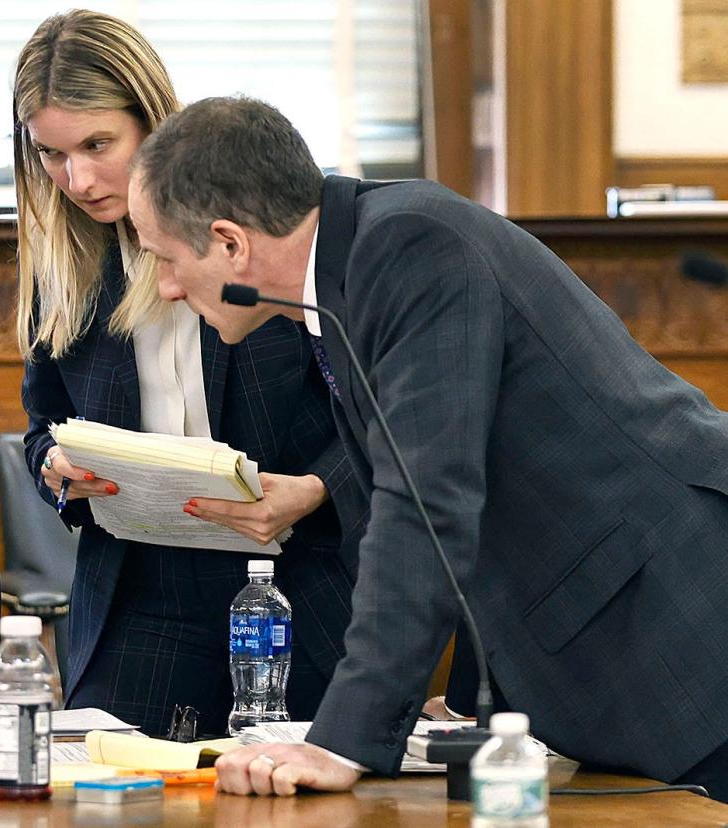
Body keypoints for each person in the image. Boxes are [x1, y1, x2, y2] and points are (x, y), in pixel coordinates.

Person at [128, 95, 728, 799]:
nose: (164, 288)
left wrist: (345, 741)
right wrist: (475, 697)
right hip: (616, 645)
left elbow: (425, 502)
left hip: (682, 631)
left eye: (165, 259)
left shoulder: (410, 248)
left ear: (230, 244)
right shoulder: (355, 266)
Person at [13, 10, 366, 737]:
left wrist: (317, 488)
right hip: (142, 586)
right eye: (51, 153)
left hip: (297, 573)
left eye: (97, 144)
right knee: (116, 799)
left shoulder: (264, 222)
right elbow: (40, 424)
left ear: (152, 120)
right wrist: (53, 464)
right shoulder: (62, 261)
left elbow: (374, 409)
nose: (75, 179)